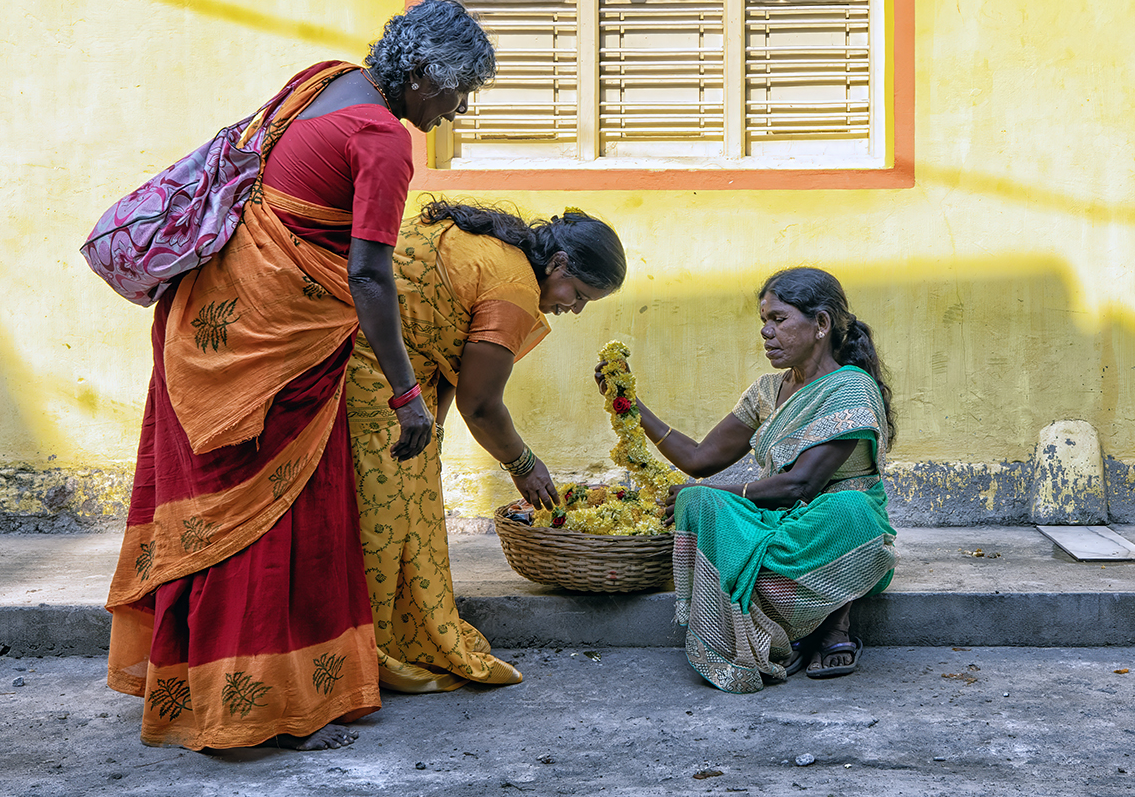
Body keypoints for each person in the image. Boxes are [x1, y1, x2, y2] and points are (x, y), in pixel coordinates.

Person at [104, 0, 496, 750]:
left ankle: (208, 690)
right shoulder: (381, 139)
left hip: (210, 325)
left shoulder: (323, 81)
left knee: (214, 511)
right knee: (265, 523)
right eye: (457, 92)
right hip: (277, 349)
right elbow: (370, 277)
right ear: (421, 77)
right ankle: (249, 715)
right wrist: (409, 393)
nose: (458, 109)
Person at [346, 201, 625, 693]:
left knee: (409, 499)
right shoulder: (514, 288)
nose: (573, 309)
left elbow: (447, 351)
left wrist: (433, 427)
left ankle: (387, 639)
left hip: (381, 367)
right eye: (577, 294)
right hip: (368, 369)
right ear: (557, 264)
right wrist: (523, 464)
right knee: (383, 520)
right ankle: (365, 653)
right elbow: (481, 403)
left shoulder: (491, 250)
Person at [598, 267, 897, 694]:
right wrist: (628, 402)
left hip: (835, 531)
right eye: (764, 322)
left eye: (779, 319)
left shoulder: (850, 388)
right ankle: (782, 631)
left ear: (822, 324)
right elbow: (700, 459)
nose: (767, 332)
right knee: (697, 503)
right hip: (779, 522)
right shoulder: (766, 391)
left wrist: (715, 490)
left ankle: (831, 625)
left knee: (845, 509)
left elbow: (802, 486)